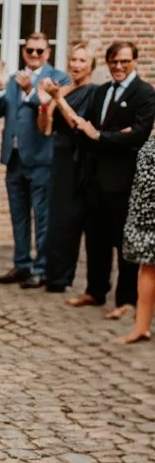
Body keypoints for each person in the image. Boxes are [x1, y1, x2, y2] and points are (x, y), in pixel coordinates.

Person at [73, 41, 155, 321]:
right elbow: (85, 127)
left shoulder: (144, 93)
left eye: (124, 61)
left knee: (124, 243)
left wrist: (102, 136)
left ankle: (126, 299)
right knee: (95, 238)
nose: (118, 67)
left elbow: (139, 135)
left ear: (135, 61)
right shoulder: (101, 91)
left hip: (124, 179)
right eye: (113, 61)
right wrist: (105, 135)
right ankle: (95, 291)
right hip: (95, 176)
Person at [0, 32, 70, 289]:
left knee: (42, 217)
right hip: (14, 158)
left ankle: (42, 268)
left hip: (41, 157)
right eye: (30, 50)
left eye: (39, 51)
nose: (34, 55)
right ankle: (22, 264)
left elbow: (51, 112)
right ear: (24, 52)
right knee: (19, 216)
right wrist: (1, 86)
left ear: (48, 53)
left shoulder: (59, 78)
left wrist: (30, 91)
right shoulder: (14, 78)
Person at [37, 43, 97, 295]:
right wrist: (43, 105)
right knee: (56, 217)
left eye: (82, 60)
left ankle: (64, 275)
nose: (76, 65)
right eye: (73, 60)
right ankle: (53, 273)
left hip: (79, 157)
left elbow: (77, 123)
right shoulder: (62, 89)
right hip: (59, 155)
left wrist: (58, 99)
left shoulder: (93, 92)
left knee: (71, 216)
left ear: (91, 66)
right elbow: (46, 128)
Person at [119, 131, 155, 343]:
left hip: (149, 213)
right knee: (147, 268)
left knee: (148, 269)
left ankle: (142, 326)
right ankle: (141, 327)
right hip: (144, 213)